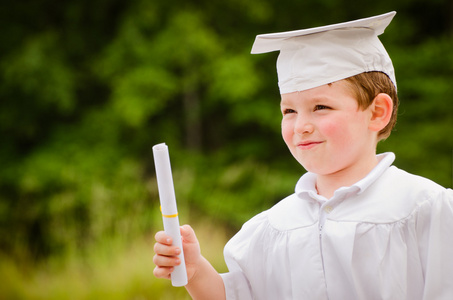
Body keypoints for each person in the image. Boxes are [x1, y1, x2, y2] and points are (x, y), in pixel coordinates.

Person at [153, 11, 453, 300]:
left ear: (377, 112)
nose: (301, 126)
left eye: (321, 107)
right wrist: (195, 272)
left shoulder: (425, 209)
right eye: (289, 111)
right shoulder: (272, 227)